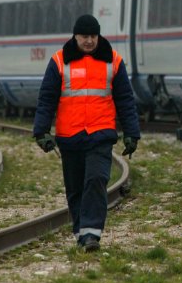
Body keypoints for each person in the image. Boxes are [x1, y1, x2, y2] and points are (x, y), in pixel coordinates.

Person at [32, 14, 141, 252]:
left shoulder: (113, 60)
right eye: (85, 37)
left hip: (100, 134)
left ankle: (91, 233)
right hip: (70, 136)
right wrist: (41, 131)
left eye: (93, 36)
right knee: (75, 187)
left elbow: (125, 100)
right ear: (75, 36)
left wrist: (132, 133)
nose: (89, 41)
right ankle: (82, 232)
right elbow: (47, 98)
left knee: (96, 180)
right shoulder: (60, 62)